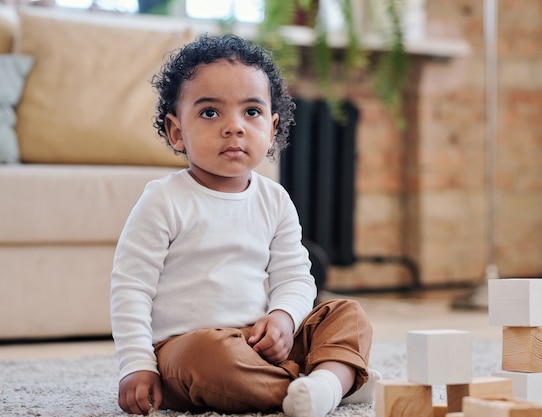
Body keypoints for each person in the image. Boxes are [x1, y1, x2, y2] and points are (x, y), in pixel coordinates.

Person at [110, 33, 376, 417]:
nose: (233, 127)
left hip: (260, 341)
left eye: (251, 112)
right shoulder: (163, 199)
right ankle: (331, 382)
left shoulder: (274, 199)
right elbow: (130, 287)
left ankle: (321, 384)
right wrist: (136, 365)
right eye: (210, 112)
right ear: (176, 131)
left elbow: (295, 278)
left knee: (346, 314)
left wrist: (283, 318)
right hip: (186, 353)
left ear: (271, 128)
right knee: (208, 356)